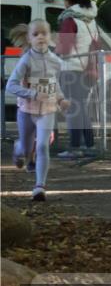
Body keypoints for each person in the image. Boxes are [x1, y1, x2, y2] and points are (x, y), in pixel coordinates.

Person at [6, 20, 71, 201]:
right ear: (29, 38)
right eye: (36, 34)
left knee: (42, 146)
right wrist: (32, 94)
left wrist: (61, 99)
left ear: (50, 37)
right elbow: (10, 86)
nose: (40, 37)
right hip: (26, 110)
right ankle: (19, 148)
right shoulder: (26, 61)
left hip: (47, 111)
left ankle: (39, 187)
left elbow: (54, 83)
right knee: (27, 151)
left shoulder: (56, 61)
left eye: (44, 33)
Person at [54, 0, 100, 159]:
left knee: (74, 109)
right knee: (83, 110)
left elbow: (64, 48)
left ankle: (75, 147)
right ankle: (89, 146)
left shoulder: (70, 20)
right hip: (88, 70)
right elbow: (97, 45)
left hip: (71, 69)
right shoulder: (91, 20)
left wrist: (54, 46)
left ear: (68, 0)